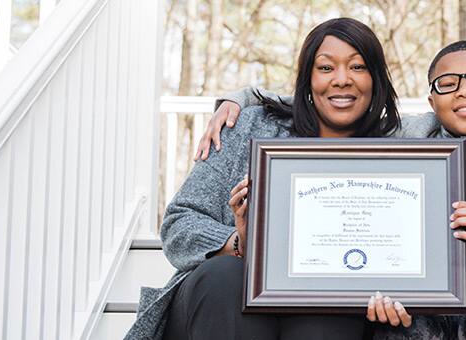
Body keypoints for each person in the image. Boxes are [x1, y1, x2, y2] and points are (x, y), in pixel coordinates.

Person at [195, 40, 466, 339]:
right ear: (431, 101)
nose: (465, 92)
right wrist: (241, 99)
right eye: (448, 84)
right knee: (392, 323)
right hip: (449, 303)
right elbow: (334, 98)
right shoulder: (412, 136)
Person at [125, 18, 414, 340]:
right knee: (227, 275)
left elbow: (462, 109)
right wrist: (241, 242)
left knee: (333, 306)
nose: (342, 80)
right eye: (326, 68)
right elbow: (179, 223)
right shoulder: (250, 127)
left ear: (376, 78)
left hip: (327, 308)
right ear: (307, 79)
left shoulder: (398, 152)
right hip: (218, 303)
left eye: (358, 67)